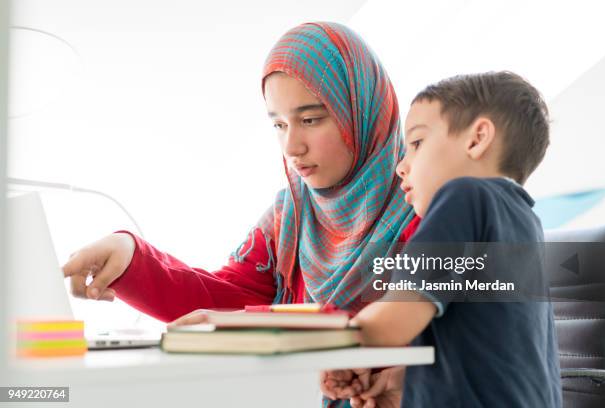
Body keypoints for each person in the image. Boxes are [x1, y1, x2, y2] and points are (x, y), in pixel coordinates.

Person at [61, 21, 419, 406]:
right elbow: (222, 308)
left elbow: (420, 330)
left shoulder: (430, 207)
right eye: (279, 124)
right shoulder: (292, 217)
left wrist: (244, 324)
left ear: (362, 109)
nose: (291, 146)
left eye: (311, 119)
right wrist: (132, 258)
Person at [320, 72, 562, 407]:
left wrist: (329, 344)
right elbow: (501, 354)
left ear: (477, 139)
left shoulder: (463, 196)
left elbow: (393, 321)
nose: (400, 167)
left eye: (416, 143)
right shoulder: (525, 223)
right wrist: (409, 380)